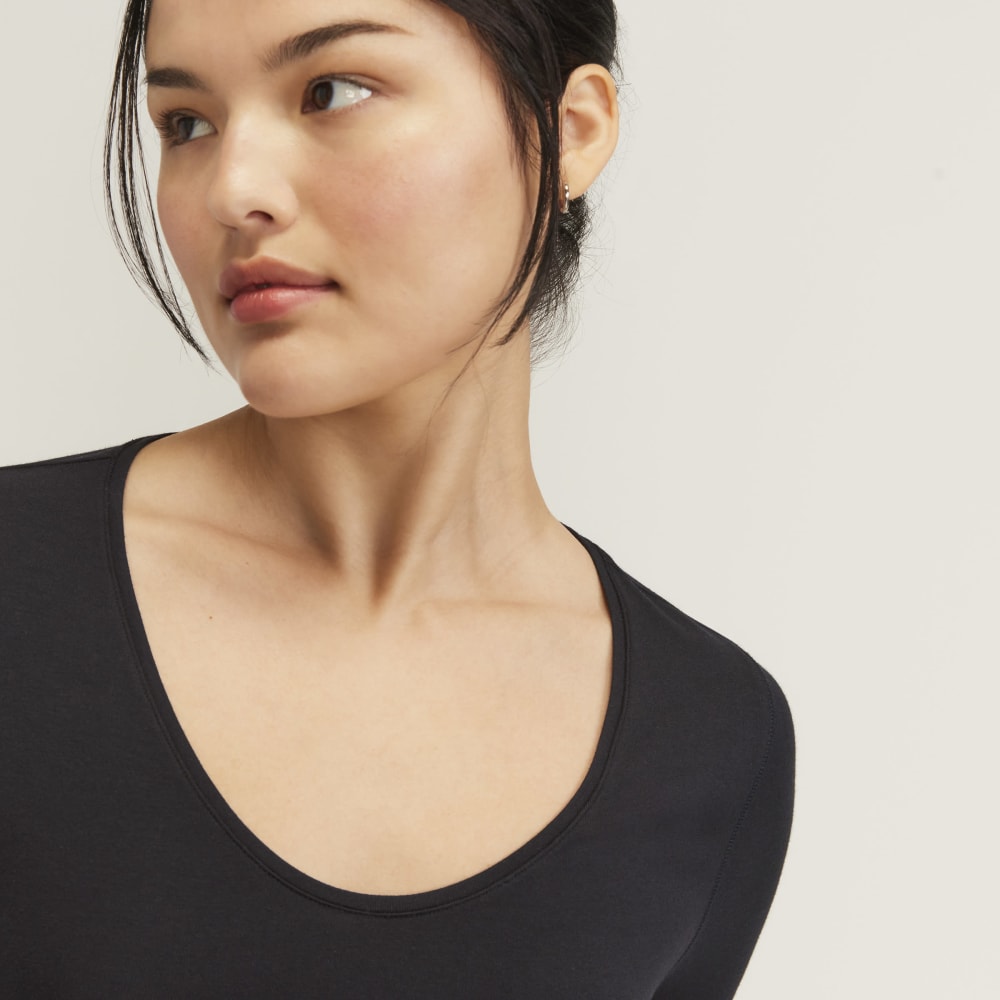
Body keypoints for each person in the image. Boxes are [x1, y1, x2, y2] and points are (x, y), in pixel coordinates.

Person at [0, 0, 793, 996]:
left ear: (570, 133)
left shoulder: (711, 739)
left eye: (331, 92)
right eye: (186, 123)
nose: (232, 190)